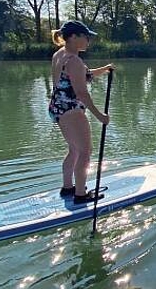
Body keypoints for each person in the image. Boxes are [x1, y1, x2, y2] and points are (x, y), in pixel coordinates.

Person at [48, 20, 114, 204]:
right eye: (86, 37)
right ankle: (80, 194)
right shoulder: (74, 60)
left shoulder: (60, 54)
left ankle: (67, 188)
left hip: (58, 108)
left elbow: (83, 75)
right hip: (72, 110)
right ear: (73, 37)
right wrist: (100, 116)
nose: (88, 41)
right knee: (85, 151)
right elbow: (82, 93)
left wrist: (105, 69)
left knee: (74, 150)